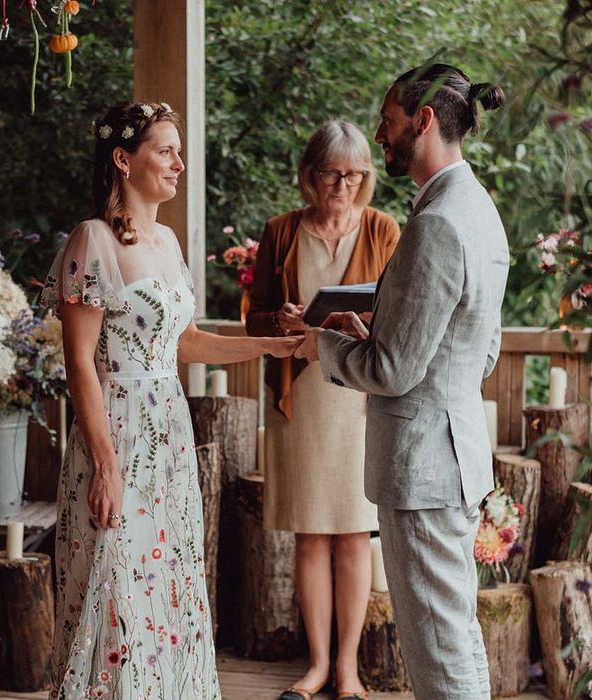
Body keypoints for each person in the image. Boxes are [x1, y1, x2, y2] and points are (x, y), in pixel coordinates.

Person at [40, 101, 302, 700]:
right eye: (165, 150)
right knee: (114, 585)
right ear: (122, 160)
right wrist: (106, 463)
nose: (179, 163)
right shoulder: (94, 240)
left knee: (166, 582)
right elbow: (79, 361)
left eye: (178, 151)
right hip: (117, 431)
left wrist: (271, 345)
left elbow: (185, 341)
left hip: (169, 438)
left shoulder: (167, 240)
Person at [295, 64, 509, 699]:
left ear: (423, 122)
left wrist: (319, 344)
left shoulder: (436, 223)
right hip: (455, 454)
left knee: (436, 649)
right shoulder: (478, 208)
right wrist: (377, 335)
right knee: (456, 635)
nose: (381, 137)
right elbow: (481, 350)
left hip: (424, 469)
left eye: (388, 123)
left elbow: (392, 372)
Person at [246, 120, 400, 700]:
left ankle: (348, 672)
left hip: (360, 398)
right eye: (332, 173)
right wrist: (282, 320)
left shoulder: (385, 229)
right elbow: (254, 317)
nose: (343, 184)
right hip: (303, 398)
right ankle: (314, 667)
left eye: (355, 174)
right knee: (310, 534)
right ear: (310, 176)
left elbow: (402, 311)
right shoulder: (280, 232)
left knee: (356, 533)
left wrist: (363, 323)